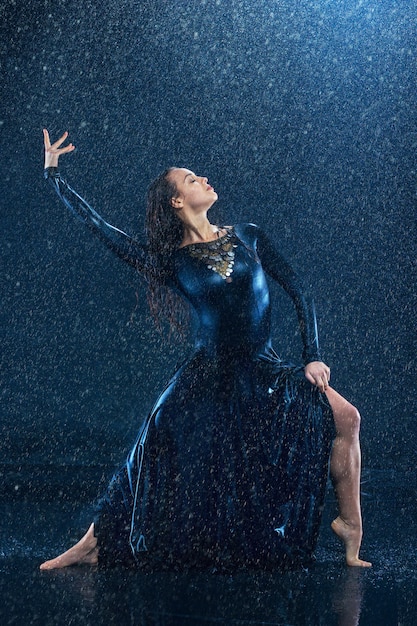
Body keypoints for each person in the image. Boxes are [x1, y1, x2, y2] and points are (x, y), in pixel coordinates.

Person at [39, 130, 371, 571]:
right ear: (177, 202)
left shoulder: (248, 235)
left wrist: (313, 354)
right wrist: (54, 176)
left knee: (347, 417)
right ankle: (93, 541)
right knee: (153, 436)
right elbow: (105, 232)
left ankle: (351, 525)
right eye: (191, 179)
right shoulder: (170, 261)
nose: (204, 179)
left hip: (263, 369)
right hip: (209, 375)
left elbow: (299, 290)